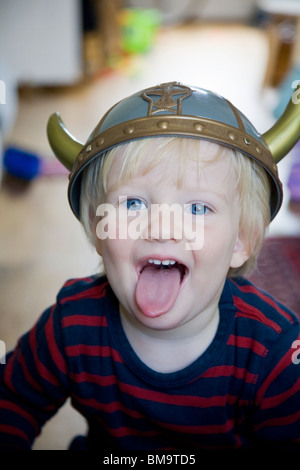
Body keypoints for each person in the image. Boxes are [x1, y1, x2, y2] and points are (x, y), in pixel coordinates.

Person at [1, 82, 300, 450]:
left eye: (197, 209)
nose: (162, 228)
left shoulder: (273, 350)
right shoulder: (71, 323)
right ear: (100, 227)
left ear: (241, 241)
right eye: (133, 204)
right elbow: (12, 402)